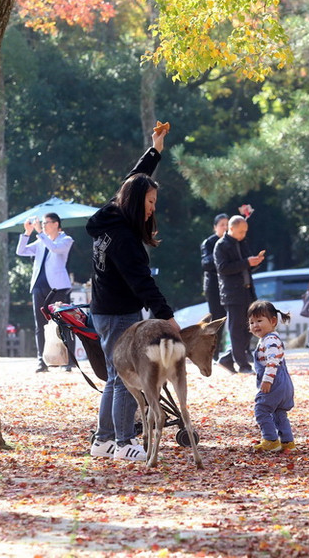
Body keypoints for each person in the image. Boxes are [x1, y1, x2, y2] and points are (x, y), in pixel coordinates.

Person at [86, 122, 178, 462]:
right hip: (118, 313)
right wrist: (167, 317)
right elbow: (143, 282)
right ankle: (124, 442)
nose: (152, 208)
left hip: (105, 310)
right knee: (125, 378)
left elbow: (132, 181)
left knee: (114, 376)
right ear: (138, 201)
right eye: (150, 201)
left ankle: (104, 440)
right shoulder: (124, 238)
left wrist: (154, 151)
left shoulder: (111, 215)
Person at [16, 212, 73, 373]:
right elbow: (21, 251)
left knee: (62, 323)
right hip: (38, 286)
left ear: (56, 224)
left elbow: (54, 249)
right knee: (39, 325)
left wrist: (40, 233)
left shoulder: (66, 240)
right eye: (42, 223)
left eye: (46, 223)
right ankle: (42, 360)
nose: (43, 225)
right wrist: (27, 233)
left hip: (57, 287)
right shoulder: (41, 241)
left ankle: (68, 360)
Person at [214, 215, 265, 374]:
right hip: (232, 293)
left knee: (249, 328)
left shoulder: (242, 243)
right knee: (236, 329)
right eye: (241, 231)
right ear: (231, 228)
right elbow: (223, 268)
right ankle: (243, 365)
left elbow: (246, 266)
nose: (244, 234)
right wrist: (247, 262)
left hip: (247, 290)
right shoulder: (221, 246)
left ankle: (227, 359)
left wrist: (254, 262)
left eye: (245, 231)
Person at [248, 301, 295, 453]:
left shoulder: (270, 340)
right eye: (251, 322)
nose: (255, 325)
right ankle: (287, 442)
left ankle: (270, 439)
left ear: (273, 321)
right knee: (279, 412)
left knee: (261, 408)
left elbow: (272, 361)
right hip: (284, 384)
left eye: (259, 321)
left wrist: (267, 380)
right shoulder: (270, 338)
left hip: (275, 382)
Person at [200, 214, 229, 359]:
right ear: (215, 227)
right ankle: (213, 353)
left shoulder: (232, 242)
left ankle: (228, 352)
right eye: (222, 224)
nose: (225, 227)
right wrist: (220, 257)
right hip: (213, 286)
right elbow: (205, 263)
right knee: (217, 319)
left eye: (227, 224)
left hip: (229, 285)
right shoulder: (209, 243)